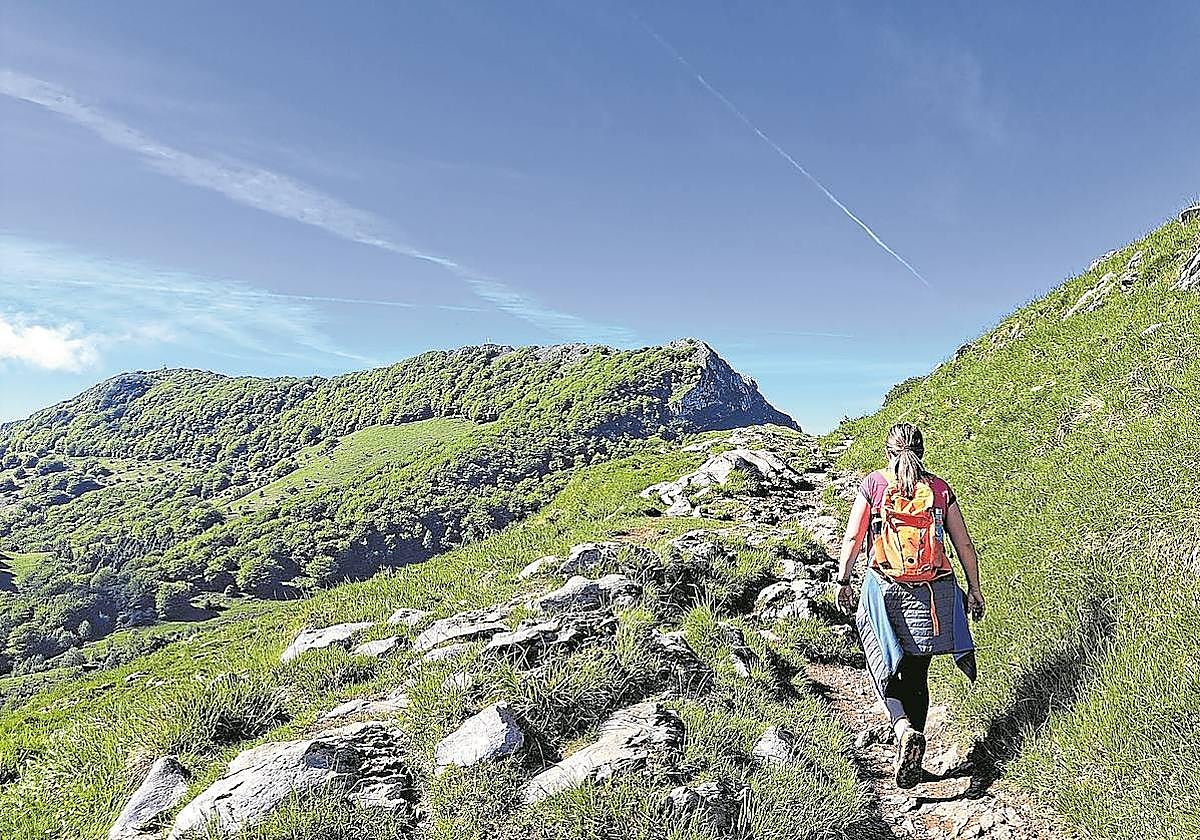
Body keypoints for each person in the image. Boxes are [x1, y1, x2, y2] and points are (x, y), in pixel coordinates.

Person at [833, 422, 986, 788]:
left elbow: (854, 535)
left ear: (888, 452)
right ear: (922, 452)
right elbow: (963, 544)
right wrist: (974, 588)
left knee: (880, 663)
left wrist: (842, 580)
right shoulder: (939, 489)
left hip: (884, 589)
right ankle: (915, 748)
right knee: (917, 674)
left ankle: (902, 731)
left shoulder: (874, 485)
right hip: (933, 593)